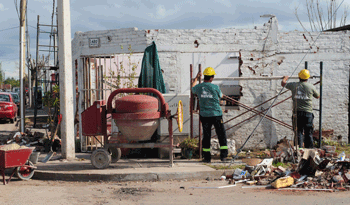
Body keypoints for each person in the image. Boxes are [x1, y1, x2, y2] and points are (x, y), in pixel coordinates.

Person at [192, 67, 228, 162]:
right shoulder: (215, 87)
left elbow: (192, 88)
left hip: (205, 115)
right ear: (211, 78)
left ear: (204, 76)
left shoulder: (199, 87)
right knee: (221, 134)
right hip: (216, 114)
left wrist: (196, 78)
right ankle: (223, 156)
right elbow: (221, 95)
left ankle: (207, 158)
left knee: (206, 136)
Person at [281, 69, 320, 148]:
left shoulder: (294, 85)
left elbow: (283, 84)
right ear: (308, 78)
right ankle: (309, 150)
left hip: (297, 113)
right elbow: (317, 96)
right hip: (308, 113)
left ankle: (299, 150)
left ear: (299, 77)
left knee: (298, 131)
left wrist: (285, 78)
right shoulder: (311, 86)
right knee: (308, 132)